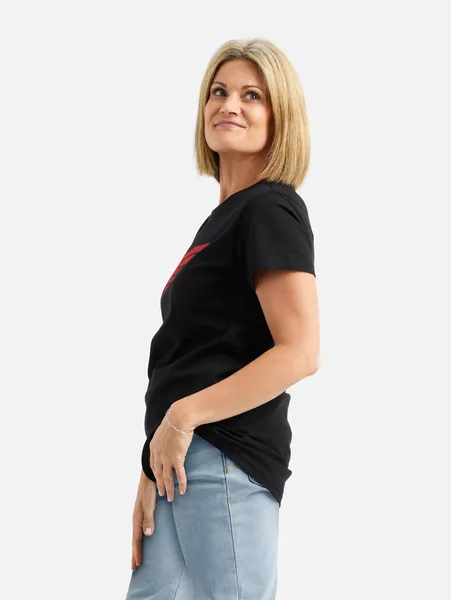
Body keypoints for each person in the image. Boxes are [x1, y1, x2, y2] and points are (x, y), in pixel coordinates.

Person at [125, 37, 320, 600]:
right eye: (219, 91)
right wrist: (151, 463)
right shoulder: (224, 220)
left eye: (251, 95)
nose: (229, 105)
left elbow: (300, 351)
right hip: (178, 461)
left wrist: (182, 418)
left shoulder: (270, 208)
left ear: (280, 117)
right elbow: (195, 357)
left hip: (223, 456)